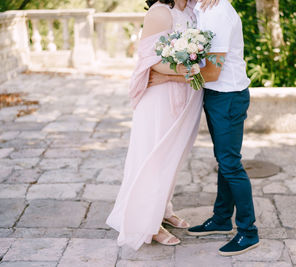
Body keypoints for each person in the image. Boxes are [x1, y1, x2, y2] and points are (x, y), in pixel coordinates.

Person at [148, 0, 259, 256]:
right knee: (224, 160)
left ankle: (248, 232)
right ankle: (221, 219)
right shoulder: (202, 9)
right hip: (217, 96)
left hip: (228, 95)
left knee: (231, 164)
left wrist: (167, 76)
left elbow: (211, 73)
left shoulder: (217, 11)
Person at [106, 0, 219, 250]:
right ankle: (147, 222)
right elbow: (151, 60)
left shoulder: (191, 9)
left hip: (188, 94)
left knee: (174, 156)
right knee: (155, 155)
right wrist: (184, 72)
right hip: (161, 97)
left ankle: (162, 208)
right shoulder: (159, 12)